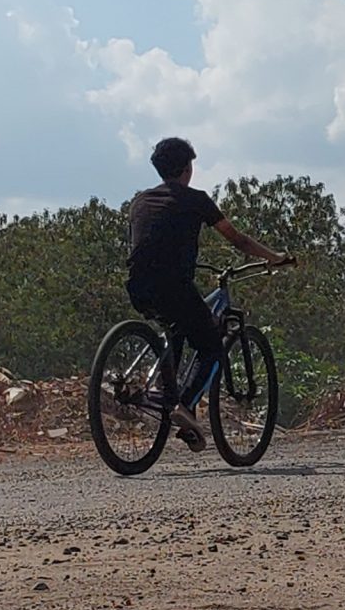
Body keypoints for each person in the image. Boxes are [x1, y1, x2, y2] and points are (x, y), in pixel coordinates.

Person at [125, 136, 292, 451]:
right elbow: (239, 241)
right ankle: (184, 407)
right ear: (187, 168)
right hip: (174, 285)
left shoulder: (140, 201)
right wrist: (276, 257)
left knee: (177, 325)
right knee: (212, 344)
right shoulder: (197, 200)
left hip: (137, 286)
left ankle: (165, 391)